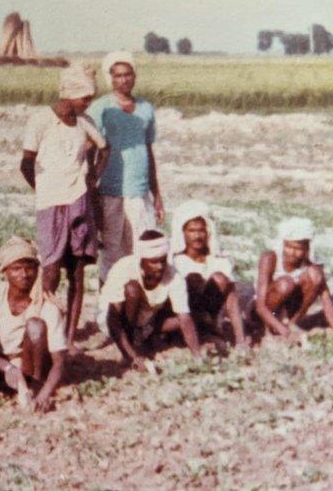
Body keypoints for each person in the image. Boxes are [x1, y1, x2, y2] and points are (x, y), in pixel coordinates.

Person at [20, 64, 109, 350]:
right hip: (51, 204)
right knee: (51, 268)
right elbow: (26, 163)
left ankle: (69, 337)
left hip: (80, 203)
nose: (87, 104)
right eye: (84, 98)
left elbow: (104, 148)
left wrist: (93, 174)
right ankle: (42, 326)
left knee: (78, 270)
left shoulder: (84, 123)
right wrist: (43, 188)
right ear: (70, 94)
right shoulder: (41, 121)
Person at [87, 51, 165, 283]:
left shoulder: (146, 109)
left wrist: (157, 194)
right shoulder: (101, 109)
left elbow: (148, 152)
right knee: (112, 252)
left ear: (134, 76)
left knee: (142, 250)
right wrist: (91, 189)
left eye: (128, 74)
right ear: (110, 78)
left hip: (139, 191)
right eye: (118, 75)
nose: (123, 80)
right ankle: (106, 310)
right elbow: (91, 151)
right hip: (110, 191)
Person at [0, 237, 67, 413]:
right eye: (16, 269)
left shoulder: (47, 306)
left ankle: (35, 386)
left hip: (30, 365)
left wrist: (45, 393)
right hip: (3, 364)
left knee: (35, 326)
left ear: (36, 270)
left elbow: (59, 362)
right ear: (5, 271)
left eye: (29, 268)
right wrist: (7, 367)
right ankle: (8, 384)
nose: (24, 274)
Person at [96, 230, 201, 369]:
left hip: (146, 320)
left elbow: (184, 318)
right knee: (132, 289)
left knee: (190, 316)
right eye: (153, 262)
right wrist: (132, 356)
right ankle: (131, 344)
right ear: (141, 260)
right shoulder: (124, 268)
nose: (160, 266)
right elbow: (112, 319)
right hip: (114, 321)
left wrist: (198, 357)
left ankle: (146, 337)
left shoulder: (173, 275)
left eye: (163, 261)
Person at [169, 200, 249, 348]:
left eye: (201, 230)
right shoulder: (177, 262)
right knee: (194, 279)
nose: (197, 236)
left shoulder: (218, 261)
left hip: (211, 316)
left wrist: (240, 339)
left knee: (221, 278)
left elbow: (231, 298)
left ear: (208, 232)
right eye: (192, 231)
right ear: (183, 233)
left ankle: (233, 338)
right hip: (185, 317)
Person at [254, 217, 333, 341]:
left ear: (307, 249)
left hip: (288, 313)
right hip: (263, 313)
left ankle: (292, 323)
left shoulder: (311, 264)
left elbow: (326, 300)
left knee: (316, 275)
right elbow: (260, 306)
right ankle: (268, 330)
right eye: (288, 246)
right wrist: (286, 333)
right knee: (285, 283)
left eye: (298, 249)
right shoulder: (270, 258)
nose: (291, 252)